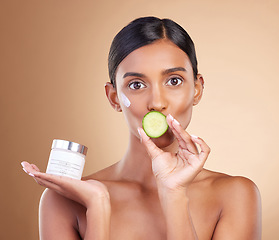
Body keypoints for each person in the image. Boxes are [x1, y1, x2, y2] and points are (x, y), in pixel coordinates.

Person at [21, 16, 262, 239]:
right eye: (136, 85)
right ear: (114, 97)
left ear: (196, 89)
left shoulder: (236, 195)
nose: (157, 103)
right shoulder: (64, 200)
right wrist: (98, 206)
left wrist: (174, 193)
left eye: (174, 81)